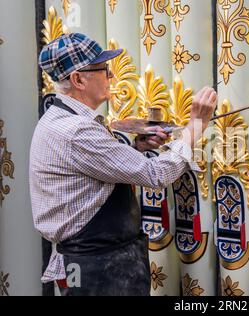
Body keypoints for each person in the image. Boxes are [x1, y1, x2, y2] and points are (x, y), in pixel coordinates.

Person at [30, 33, 216, 296]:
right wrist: (196, 125)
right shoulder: (76, 131)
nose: (112, 76)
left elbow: (91, 172)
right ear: (78, 79)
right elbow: (157, 174)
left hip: (92, 263)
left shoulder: (58, 118)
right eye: (104, 69)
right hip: (99, 269)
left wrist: (136, 149)